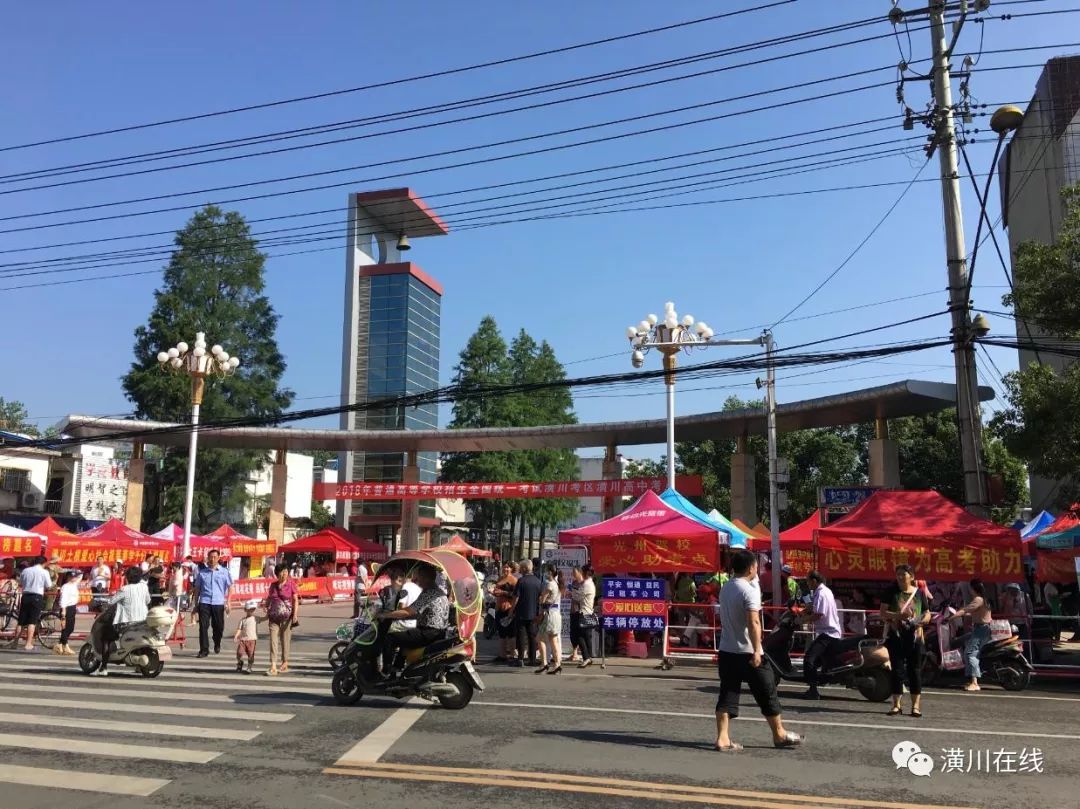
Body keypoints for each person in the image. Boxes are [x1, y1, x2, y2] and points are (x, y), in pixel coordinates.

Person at [714, 549, 802, 751]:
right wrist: (756, 650)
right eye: (756, 565)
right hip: (748, 651)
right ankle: (779, 734)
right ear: (752, 567)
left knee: (727, 693)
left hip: (727, 650)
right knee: (767, 691)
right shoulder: (749, 590)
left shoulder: (726, 587)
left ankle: (722, 738)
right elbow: (753, 621)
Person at [375, 564, 450, 674]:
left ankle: (386, 671)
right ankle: (397, 669)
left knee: (389, 638)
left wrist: (384, 615)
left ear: (426, 578)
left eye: (418, 577)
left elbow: (407, 611)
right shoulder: (440, 592)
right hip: (438, 633)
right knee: (404, 638)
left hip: (428, 633)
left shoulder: (429, 593)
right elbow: (418, 613)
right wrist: (395, 616)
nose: (416, 580)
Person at [881, 564, 930, 716]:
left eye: (904, 574)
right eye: (898, 574)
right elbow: (883, 613)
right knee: (897, 670)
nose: (901, 577)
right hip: (896, 636)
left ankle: (915, 706)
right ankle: (896, 705)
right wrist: (898, 617)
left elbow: (927, 612)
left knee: (915, 671)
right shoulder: (891, 592)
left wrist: (923, 621)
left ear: (912, 576)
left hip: (915, 636)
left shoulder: (919, 593)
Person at [95, 566, 151, 676]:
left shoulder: (125, 589)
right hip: (143, 621)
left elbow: (111, 601)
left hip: (127, 623)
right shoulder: (144, 587)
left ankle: (104, 667)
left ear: (127, 577)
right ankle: (139, 666)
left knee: (105, 638)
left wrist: (103, 600)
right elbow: (148, 600)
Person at [801, 570, 842, 700]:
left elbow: (819, 614)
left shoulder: (821, 593)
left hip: (828, 633)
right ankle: (818, 680)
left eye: (808, 581)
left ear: (814, 581)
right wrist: (805, 610)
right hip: (829, 632)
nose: (807, 584)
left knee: (809, 660)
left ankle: (813, 691)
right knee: (818, 660)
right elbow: (815, 607)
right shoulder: (824, 591)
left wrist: (803, 620)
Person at [190, 549, 233, 658]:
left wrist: (228, 601)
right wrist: (196, 604)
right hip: (204, 602)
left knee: (219, 626)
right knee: (203, 627)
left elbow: (230, 587)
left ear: (218, 558)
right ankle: (204, 650)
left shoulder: (224, 572)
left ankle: (217, 641)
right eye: (211, 557)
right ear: (208, 558)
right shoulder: (202, 573)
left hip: (218, 603)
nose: (212, 559)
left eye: (215, 557)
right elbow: (197, 589)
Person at [952, 577, 993, 692]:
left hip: (981, 629)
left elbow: (965, 610)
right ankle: (971, 679)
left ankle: (975, 682)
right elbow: (977, 613)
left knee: (970, 653)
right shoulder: (984, 599)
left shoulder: (978, 600)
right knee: (969, 652)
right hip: (981, 629)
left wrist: (952, 617)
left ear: (973, 588)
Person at [265, 564, 300, 676]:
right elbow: (269, 598)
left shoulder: (291, 584)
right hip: (273, 617)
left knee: (285, 640)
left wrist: (295, 615)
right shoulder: (273, 585)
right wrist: (266, 606)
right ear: (277, 573)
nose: (285, 573)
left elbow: (295, 600)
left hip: (287, 617)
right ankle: (273, 665)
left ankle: (285, 662)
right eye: (282, 571)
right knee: (273, 640)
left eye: (286, 571)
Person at [15, 556, 52, 652]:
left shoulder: (26, 570)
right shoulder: (44, 572)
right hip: (36, 597)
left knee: (21, 621)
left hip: (26, 596)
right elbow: (49, 585)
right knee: (32, 621)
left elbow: (21, 583)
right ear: (44, 563)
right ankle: (28, 643)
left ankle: (15, 643)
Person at [511, 559, 542, 668]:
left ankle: (520, 659)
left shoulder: (521, 581)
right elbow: (541, 598)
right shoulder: (538, 582)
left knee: (520, 636)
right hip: (534, 613)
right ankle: (532, 659)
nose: (520, 570)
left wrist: (511, 611)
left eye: (521, 568)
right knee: (532, 637)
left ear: (525, 568)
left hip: (521, 613)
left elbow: (516, 598)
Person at [535, 565, 564, 675]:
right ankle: (557, 664)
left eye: (546, 571)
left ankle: (544, 663)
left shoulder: (550, 584)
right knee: (553, 640)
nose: (545, 573)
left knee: (539, 638)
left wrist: (540, 602)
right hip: (555, 614)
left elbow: (542, 600)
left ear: (550, 572)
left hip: (549, 614)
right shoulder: (557, 584)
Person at [570, 565, 597, 668]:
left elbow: (577, 597)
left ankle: (586, 658)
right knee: (586, 636)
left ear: (585, 573)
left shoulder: (586, 584)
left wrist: (572, 592)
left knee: (580, 636)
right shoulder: (590, 583)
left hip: (583, 612)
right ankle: (589, 657)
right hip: (587, 612)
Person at [491, 562, 518, 663]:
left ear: (511, 569)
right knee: (501, 633)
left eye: (508, 567)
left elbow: (516, 596)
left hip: (509, 609)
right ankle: (502, 656)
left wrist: (503, 592)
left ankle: (512, 655)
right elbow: (496, 591)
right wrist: (493, 592)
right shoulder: (500, 578)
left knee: (511, 634)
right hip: (499, 608)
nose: (506, 569)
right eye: (505, 567)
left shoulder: (514, 580)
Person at [55, 570, 82, 656]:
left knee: (70, 628)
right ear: (68, 577)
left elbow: (80, 575)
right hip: (66, 608)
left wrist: (73, 570)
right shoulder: (65, 587)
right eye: (72, 576)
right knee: (66, 627)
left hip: (73, 607)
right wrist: (63, 611)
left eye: (74, 576)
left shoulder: (74, 585)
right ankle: (65, 645)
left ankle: (60, 644)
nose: (74, 578)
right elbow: (63, 599)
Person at [234, 599, 261, 674]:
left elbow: (264, 618)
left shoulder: (256, 618)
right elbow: (239, 629)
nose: (252, 611)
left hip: (252, 640)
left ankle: (249, 667)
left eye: (253, 609)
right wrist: (236, 636)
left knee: (251, 654)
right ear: (245, 610)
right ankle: (240, 662)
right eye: (250, 609)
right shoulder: (243, 620)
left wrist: (268, 613)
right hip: (243, 639)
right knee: (239, 653)